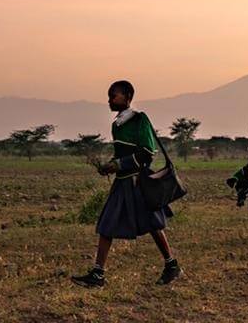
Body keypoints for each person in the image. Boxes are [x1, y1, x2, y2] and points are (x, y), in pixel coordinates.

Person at [71, 80, 181, 288]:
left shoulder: (140, 119)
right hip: (122, 183)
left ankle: (170, 265)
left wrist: (119, 164)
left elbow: (147, 152)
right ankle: (99, 274)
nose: (110, 100)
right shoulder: (117, 124)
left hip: (138, 182)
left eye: (114, 95)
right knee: (111, 225)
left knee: (150, 224)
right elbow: (122, 155)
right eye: (109, 95)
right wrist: (110, 166)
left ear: (128, 96)